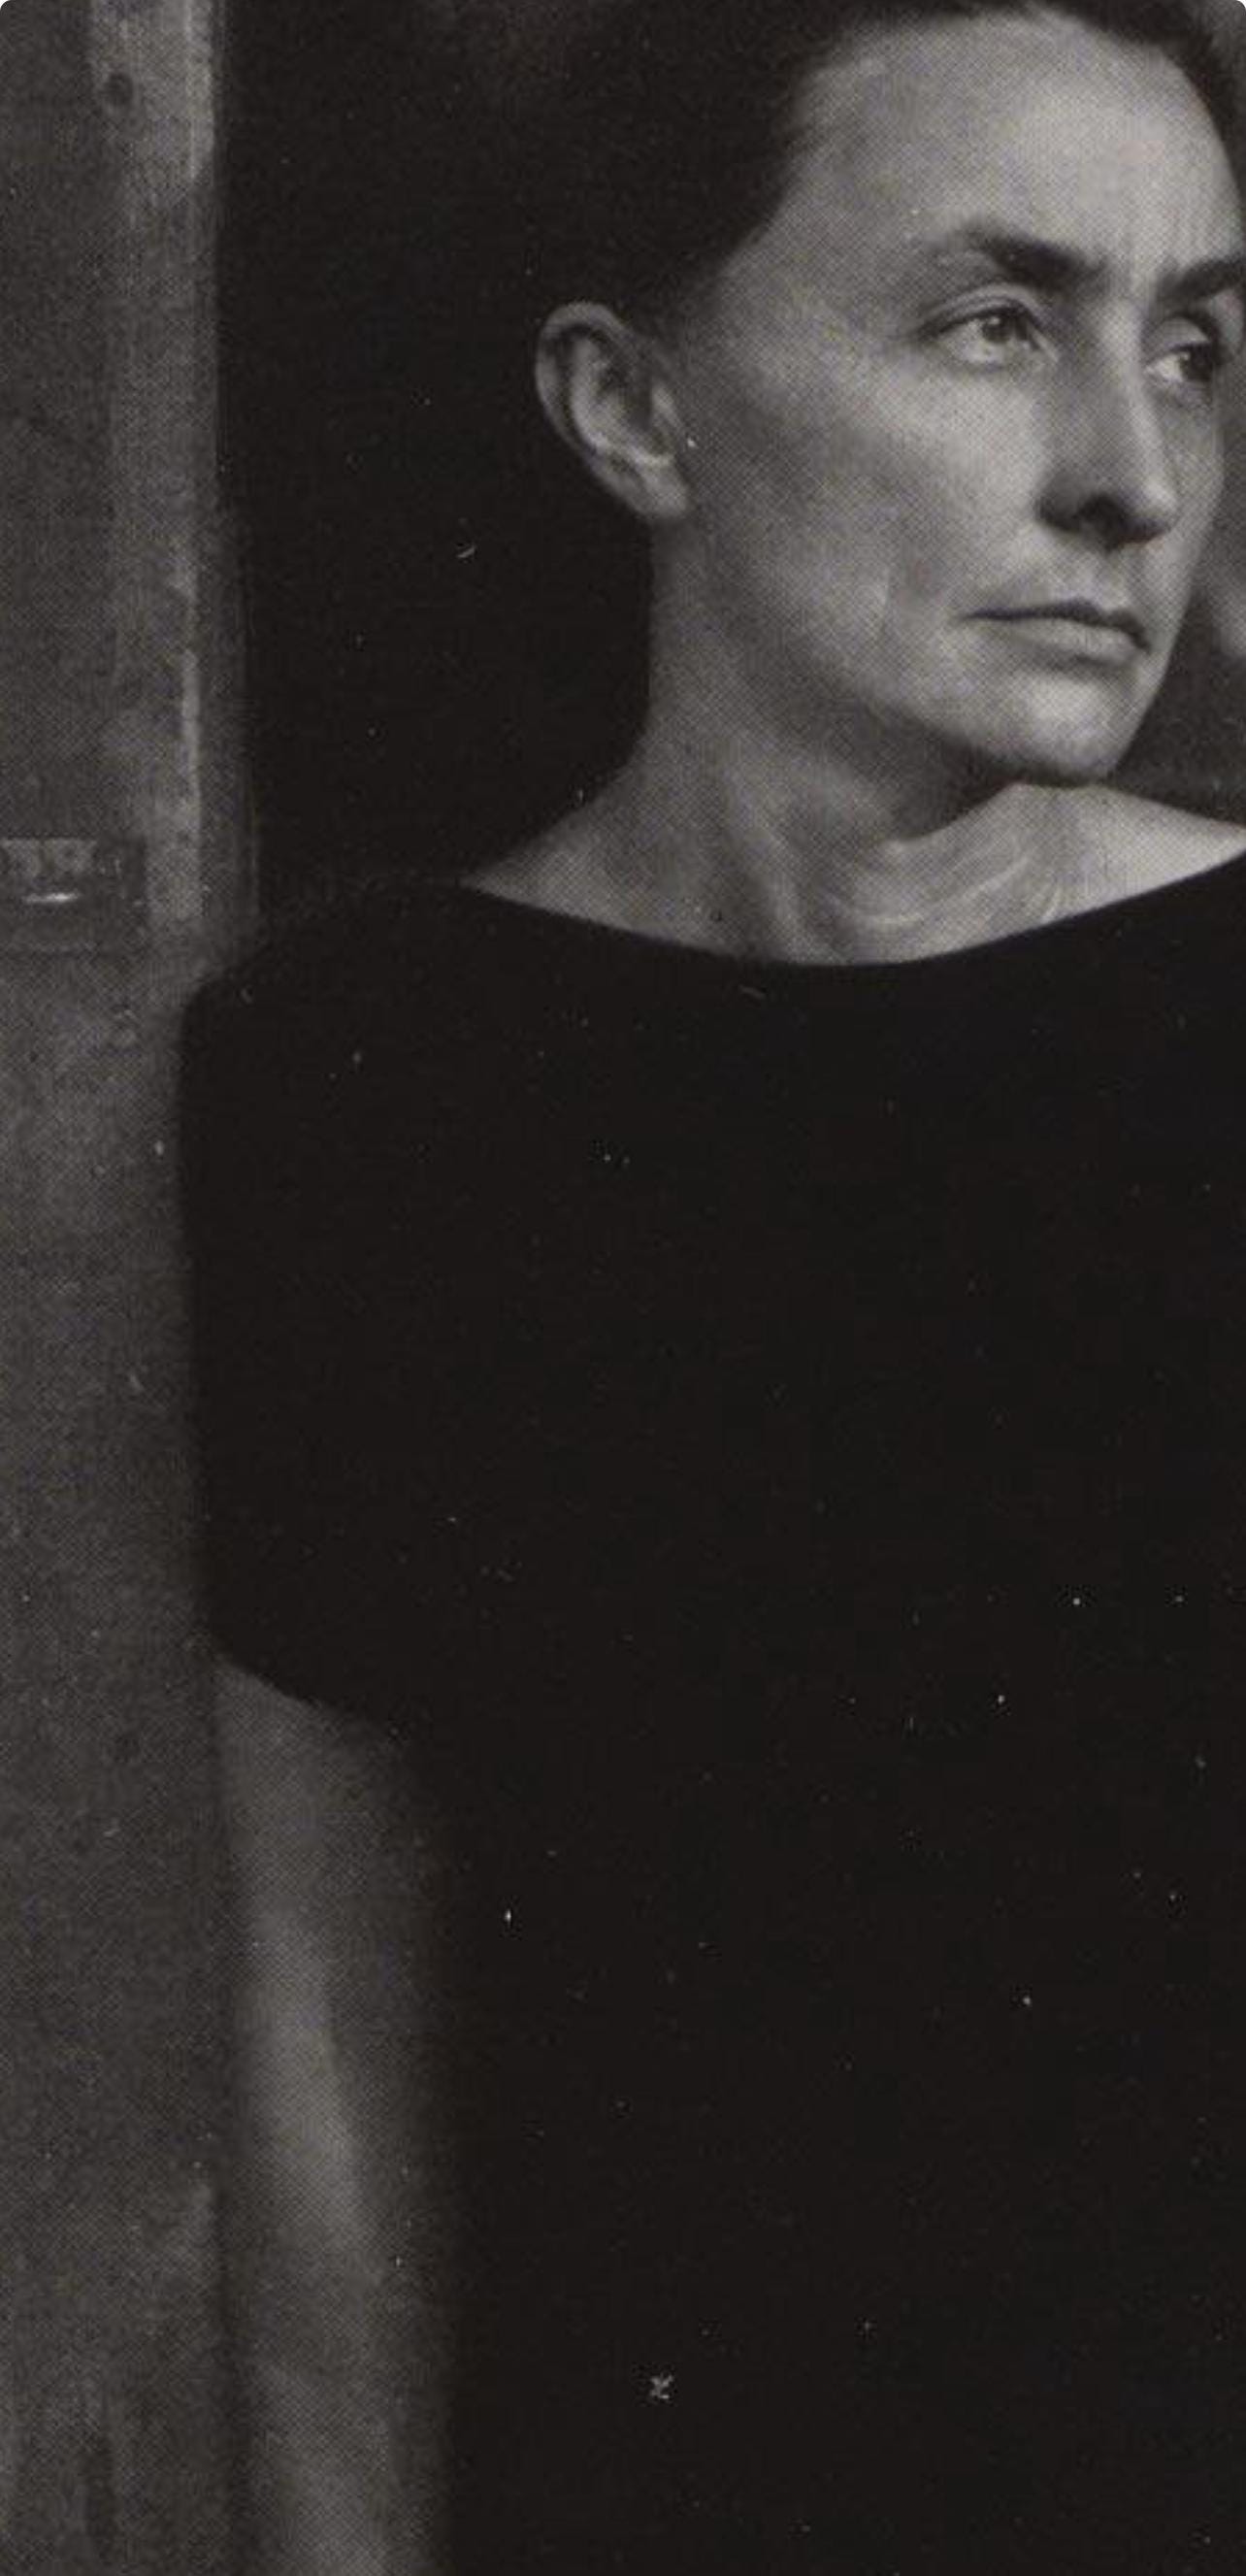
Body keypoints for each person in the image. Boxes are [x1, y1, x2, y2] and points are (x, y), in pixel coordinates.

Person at [185, 1, 1246, 2565]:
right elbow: (328, 2032)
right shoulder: (365, 1078)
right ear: (633, 411)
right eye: (992, 322)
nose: (1129, 473)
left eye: (1194, 348)